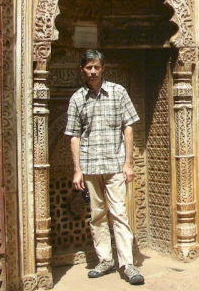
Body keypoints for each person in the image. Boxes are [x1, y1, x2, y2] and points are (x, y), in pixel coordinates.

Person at [65, 49, 144, 285]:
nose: (92, 71)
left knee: (119, 213)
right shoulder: (77, 99)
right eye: (88, 67)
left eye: (96, 67)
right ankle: (105, 260)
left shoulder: (118, 92)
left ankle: (127, 264)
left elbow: (128, 127)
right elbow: (74, 136)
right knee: (97, 215)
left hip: (115, 165)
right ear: (82, 70)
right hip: (90, 165)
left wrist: (128, 163)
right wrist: (77, 169)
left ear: (103, 69)